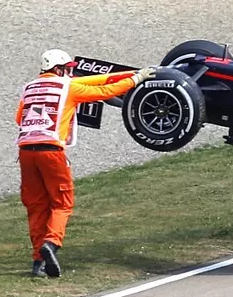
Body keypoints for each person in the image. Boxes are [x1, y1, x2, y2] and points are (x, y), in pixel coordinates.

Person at [15, 49, 156, 278]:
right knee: (62, 203)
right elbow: (105, 90)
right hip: (51, 151)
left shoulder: (29, 88)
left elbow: (19, 118)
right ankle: (51, 243)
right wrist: (135, 79)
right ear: (59, 68)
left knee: (36, 205)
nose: (70, 72)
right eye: (67, 68)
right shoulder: (69, 87)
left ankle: (38, 263)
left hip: (25, 152)